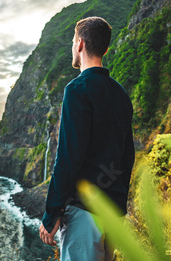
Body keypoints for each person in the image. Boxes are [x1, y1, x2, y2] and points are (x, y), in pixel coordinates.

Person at [38, 17, 135, 260]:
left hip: (84, 212)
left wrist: (52, 214)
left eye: (73, 42)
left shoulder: (77, 90)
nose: (73, 47)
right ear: (106, 48)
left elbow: (68, 158)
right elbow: (128, 155)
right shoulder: (121, 94)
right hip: (113, 211)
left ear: (80, 44)